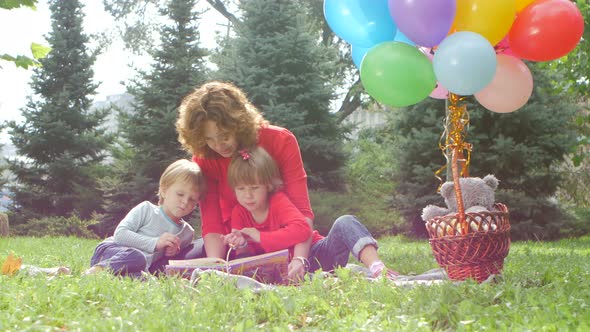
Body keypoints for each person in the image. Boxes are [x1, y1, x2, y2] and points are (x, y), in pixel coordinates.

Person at [176, 81, 314, 278]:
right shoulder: (205, 158)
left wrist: (300, 260)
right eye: (209, 139)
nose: (218, 145)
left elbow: (302, 211)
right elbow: (212, 223)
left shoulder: (281, 141)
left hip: (284, 243)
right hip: (235, 247)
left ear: (238, 124)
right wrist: (218, 269)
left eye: (224, 136)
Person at [223, 147, 399, 281]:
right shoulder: (239, 213)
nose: (248, 195)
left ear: (268, 185)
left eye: (254, 188)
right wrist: (241, 244)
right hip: (287, 271)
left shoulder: (277, 201)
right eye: (241, 189)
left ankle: (378, 269)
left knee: (345, 222)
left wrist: (260, 236)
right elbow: (246, 258)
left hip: (316, 254)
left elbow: (302, 230)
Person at [84, 159, 205, 277]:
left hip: (140, 267)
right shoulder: (146, 209)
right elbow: (120, 235)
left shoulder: (187, 233)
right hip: (112, 251)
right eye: (180, 194)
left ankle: (91, 274)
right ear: (164, 190)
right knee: (137, 256)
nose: (185, 202)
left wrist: (172, 253)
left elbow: (164, 261)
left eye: (192, 199)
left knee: (144, 278)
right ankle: (94, 272)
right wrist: (156, 242)